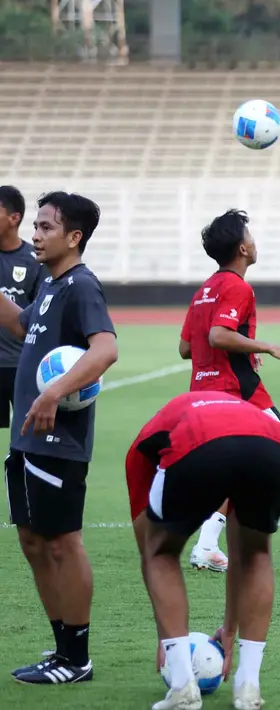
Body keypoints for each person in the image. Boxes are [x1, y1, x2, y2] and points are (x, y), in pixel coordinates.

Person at [1, 191, 119, 685]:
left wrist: (52, 394)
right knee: (32, 541)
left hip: (57, 439)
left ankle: (78, 658)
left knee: (62, 543)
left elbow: (106, 349)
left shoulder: (81, 286)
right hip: (28, 439)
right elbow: (18, 322)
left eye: (47, 227)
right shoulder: (50, 286)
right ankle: (62, 647)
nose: (36, 234)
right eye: (37, 226)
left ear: (74, 237)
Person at [178, 209, 280, 576]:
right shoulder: (237, 287)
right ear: (244, 248)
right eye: (252, 237)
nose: (255, 242)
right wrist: (268, 347)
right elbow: (218, 336)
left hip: (201, 392)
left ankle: (207, 546)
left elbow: (186, 348)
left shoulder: (204, 290)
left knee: (233, 473)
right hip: (238, 391)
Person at [126, 391, 280, 710]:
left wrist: (167, 637)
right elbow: (239, 554)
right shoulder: (233, 412)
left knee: (160, 553)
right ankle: (248, 688)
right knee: (257, 553)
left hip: (200, 442)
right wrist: (229, 629)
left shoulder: (140, 450)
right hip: (274, 446)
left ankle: (182, 687)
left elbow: (149, 552)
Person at [0, 187, 47, 428]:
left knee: (26, 437)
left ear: (13, 218)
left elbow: (42, 315)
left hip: (23, 365)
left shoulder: (35, 260)